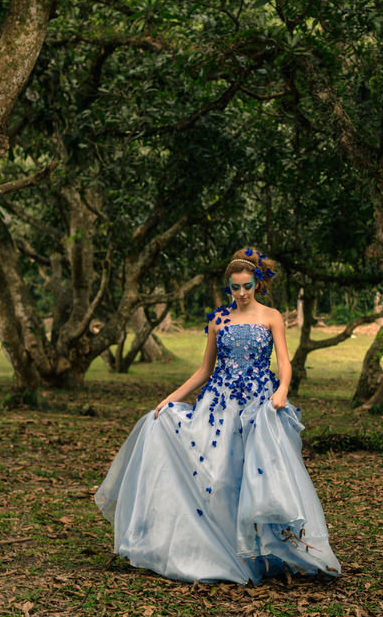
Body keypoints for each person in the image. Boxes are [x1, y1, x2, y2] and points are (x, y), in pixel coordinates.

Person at [94, 246, 341, 584]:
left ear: (258, 284)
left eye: (247, 286)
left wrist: (282, 390)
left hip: (258, 405)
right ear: (228, 287)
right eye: (234, 288)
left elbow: (284, 362)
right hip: (219, 406)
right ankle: (223, 550)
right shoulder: (218, 319)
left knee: (260, 477)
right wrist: (171, 398)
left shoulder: (271, 317)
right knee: (219, 477)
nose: (241, 293)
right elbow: (203, 370)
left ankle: (270, 553)